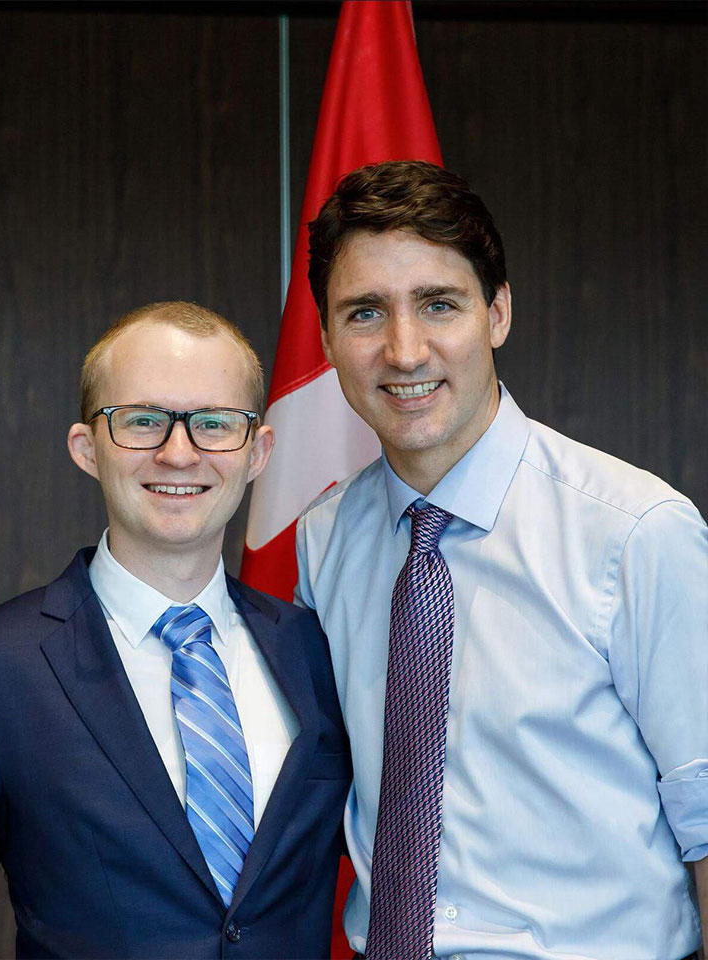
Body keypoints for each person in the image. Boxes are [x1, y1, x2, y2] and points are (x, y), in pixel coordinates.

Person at [296, 161, 707, 960]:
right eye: (364, 313)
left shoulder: (636, 532)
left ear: (497, 313)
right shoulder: (324, 540)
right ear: (324, 339)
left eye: (438, 304)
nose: (403, 350)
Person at [0, 301, 350, 960]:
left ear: (257, 452)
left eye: (214, 424)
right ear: (87, 449)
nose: (179, 453)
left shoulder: (317, 651)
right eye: (143, 421)